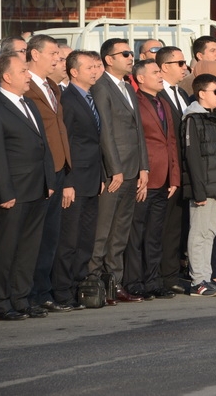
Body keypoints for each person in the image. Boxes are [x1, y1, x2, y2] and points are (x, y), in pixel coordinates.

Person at [0, 53, 55, 320]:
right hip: (13, 191)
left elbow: (43, 145)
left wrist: (49, 180)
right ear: (7, 77)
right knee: (6, 249)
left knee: (28, 248)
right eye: (23, 71)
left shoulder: (30, 104)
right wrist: (5, 192)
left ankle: (21, 298)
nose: (28, 75)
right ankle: (0, 303)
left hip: (37, 188)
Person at [89, 38, 149, 303]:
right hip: (115, 173)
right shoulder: (101, 87)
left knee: (120, 233)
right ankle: (95, 285)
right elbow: (106, 132)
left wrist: (144, 168)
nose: (130, 57)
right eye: (124, 53)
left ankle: (116, 284)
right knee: (102, 232)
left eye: (130, 52)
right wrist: (115, 170)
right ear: (108, 59)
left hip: (133, 169)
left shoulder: (126, 86)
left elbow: (138, 131)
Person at [24, 35, 73, 313]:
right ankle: (30, 293)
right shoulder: (26, 85)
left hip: (58, 169)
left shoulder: (52, 86)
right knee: (35, 237)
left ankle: (43, 291)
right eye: (53, 53)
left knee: (51, 236)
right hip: (39, 171)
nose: (58, 58)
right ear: (34, 54)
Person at [124, 60, 180, 300]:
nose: (160, 75)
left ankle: (154, 280)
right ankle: (134, 281)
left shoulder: (164, 102)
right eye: (155, 72)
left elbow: (171, 141)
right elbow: (136, 142)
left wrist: (174, 177)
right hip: (145, 177)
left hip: (165, 176)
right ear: (141, 78)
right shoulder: (135, 102)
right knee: (136, 233)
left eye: (160, 71)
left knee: (155, 234)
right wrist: (140, 173)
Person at [54, 50, 103, 309]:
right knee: (69, 239)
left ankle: (79, 287)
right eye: (89, 67)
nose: (95, 71)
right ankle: (62, 291)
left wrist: (102, 175)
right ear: (74, 71)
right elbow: (67, 142)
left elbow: (96, 141)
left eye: (97, 66)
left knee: (86, 239)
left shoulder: (90, 97)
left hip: (93, 178)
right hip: (75, 180)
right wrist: (68, 181)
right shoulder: (68, 99)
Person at [182, 74, 216, 297]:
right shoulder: (193, 119)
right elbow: (192, 157)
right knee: (199, 233)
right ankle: (197, 281)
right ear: (202, 93)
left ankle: (206, 276)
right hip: (203, 187)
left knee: (210, 232)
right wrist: (198, 190)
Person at [155, 46, 191, 293]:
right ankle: (160, 276)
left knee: (177, 225)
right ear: (164, 67)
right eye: (179, 63)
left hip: (183, 171)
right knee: (163, 226)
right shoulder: (158, 96)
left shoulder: (183, 95)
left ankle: (172, 274)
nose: (184, 67)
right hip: (166, 172)